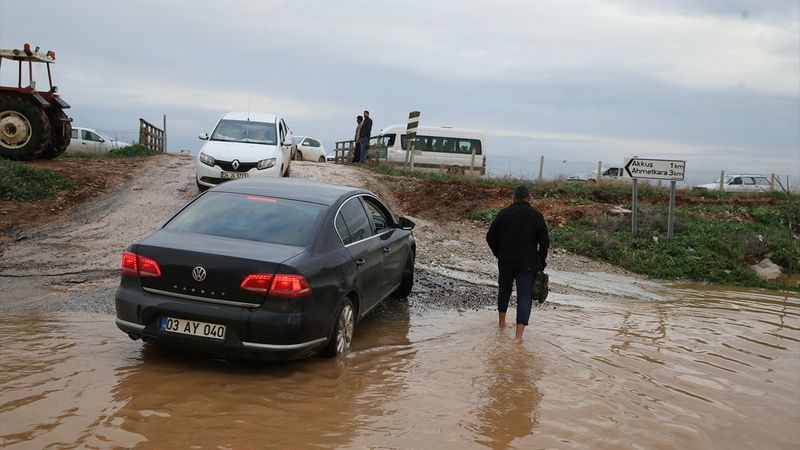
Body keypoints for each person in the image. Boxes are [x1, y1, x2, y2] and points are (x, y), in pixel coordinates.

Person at [485, 186, 549, 344]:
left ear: (513, 198)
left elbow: (490, 237)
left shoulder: (504, 213)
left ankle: (501, 323)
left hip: (506, 261)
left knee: (504, 291)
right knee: (524, 297)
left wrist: (498, 253)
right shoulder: (536, 215)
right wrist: (541, 261)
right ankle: (518, 338)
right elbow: (545, 242)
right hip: (527, 264)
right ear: (529, 199)